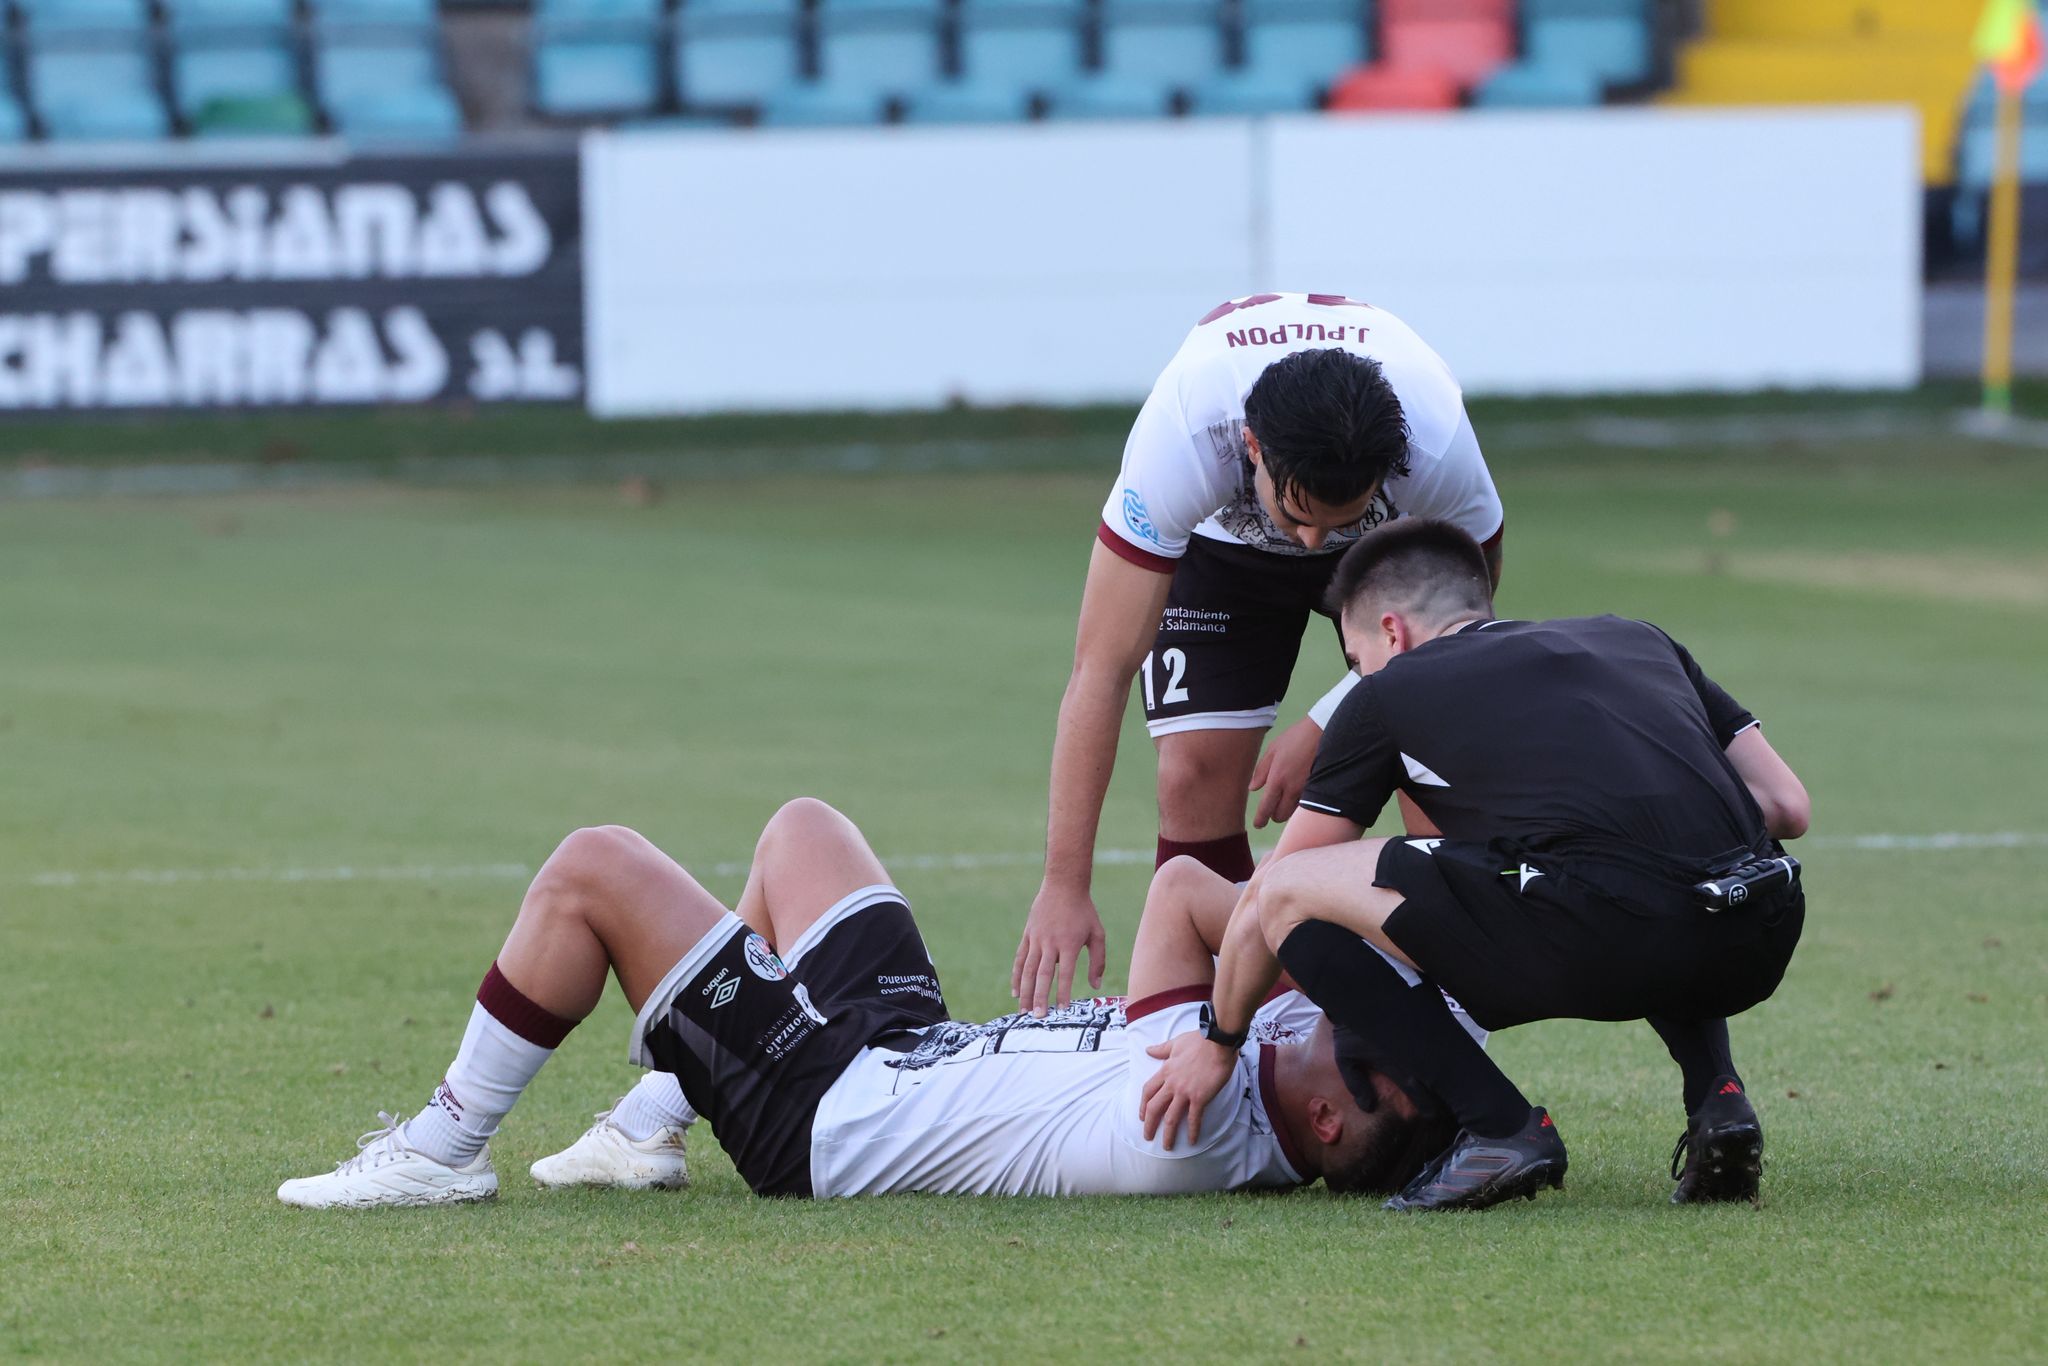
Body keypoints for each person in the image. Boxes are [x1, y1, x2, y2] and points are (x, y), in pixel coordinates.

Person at [277, 799, 1462, 1209]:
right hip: (907, 1050)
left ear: (1322, 1122)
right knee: (804, 831)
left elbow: (1206, 902)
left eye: (1327, 1031)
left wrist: (1223, 1016)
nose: (1302, 1013)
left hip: (828, 1112)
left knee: (593, 867)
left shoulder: (1194, 1115)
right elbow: (1199, 903)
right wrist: (1239, 1015)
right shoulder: (1242, 1061)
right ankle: (648, 1123)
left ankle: (441, 1150)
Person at [1138, 519, 1810, 1212]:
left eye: (1355, 656)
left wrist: (1218, 1040)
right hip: (1761, 929)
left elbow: (1277, 897)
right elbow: (1787, 808)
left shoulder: (1387, 694)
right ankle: (1719, 1100)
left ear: (1392, 632)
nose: (1360, 674)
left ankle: (1501, 1127)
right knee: (1652, 864)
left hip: (1609, 940)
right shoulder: (1639, 638)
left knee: (1290, 894)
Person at [1013, 292, 1507, 1019]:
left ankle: (1432, 1035)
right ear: (1251, 447)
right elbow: (1102, 667)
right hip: (1224, 551)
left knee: (1427, 767)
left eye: (1333, 520)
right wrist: (1063, 884)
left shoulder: (1436, 448)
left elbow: (1461, 636)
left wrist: (1333, 723)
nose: (1311, 544)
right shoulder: (1181, 440)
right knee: (1192, 774)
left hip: (1385, 558)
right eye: (1296, 516)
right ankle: (1233, 1023)